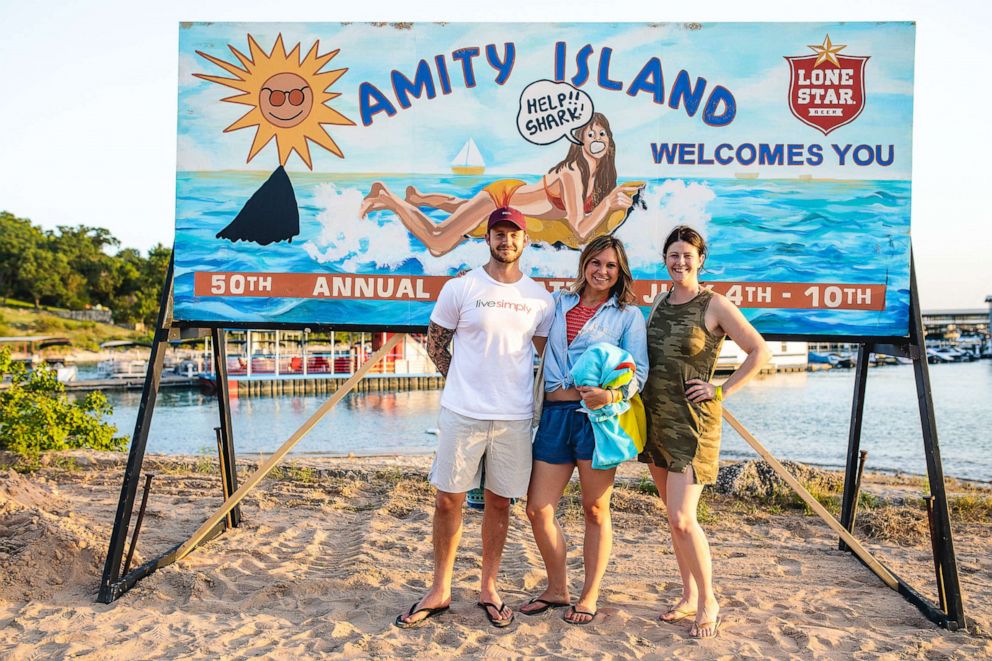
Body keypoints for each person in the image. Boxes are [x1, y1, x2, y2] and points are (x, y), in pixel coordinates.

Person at [394, 206, 554, 629]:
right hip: (462, 413)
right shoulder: (461, 288)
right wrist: (461, 379)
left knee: (500, 503)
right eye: (499, 234)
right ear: (488, 238)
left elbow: (545, 355)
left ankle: (488, 587)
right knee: (448, 499)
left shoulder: (539, 298)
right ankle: (440, 588)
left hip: (514, 418)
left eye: (514, 234)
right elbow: (436, 343)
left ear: (525, 240)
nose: (507, 241)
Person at [639, 225, 771, 639]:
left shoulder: (714, 305)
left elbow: (758, 351)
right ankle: (689, 594)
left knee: (683, 518)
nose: (680, 262)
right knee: (672, 517)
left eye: (687, 256)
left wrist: (721, 389)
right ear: (665, 260)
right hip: (655, 422)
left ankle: (709, 599)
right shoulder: (659, 301)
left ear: (701, 261)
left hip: (694, 425)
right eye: (673, 255)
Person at [518, 236, 647, 625]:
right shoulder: (556, 304)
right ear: (584, 264)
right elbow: (517, 310)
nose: (602, 271)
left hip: (599, 422)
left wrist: (610, 397)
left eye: (610, 265)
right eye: (596, 263)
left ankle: (589, 594)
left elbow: (638, 373)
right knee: (538, 509)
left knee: (595, 509)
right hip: (556, 417)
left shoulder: (628, 316)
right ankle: (557, 589)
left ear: (620, 270)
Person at [360, 113, 643, 255]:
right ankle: (387, 197)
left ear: (609, 140)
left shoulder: (600, 178)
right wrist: (608, 204)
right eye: (589, 133)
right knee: (438, 241)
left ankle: (420, 198)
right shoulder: (571, 173)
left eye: (602, 133)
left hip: (518, 195)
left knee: (464, 209)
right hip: (502, 198)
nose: (596, 138)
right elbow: (581, 229)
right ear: (580, 141)